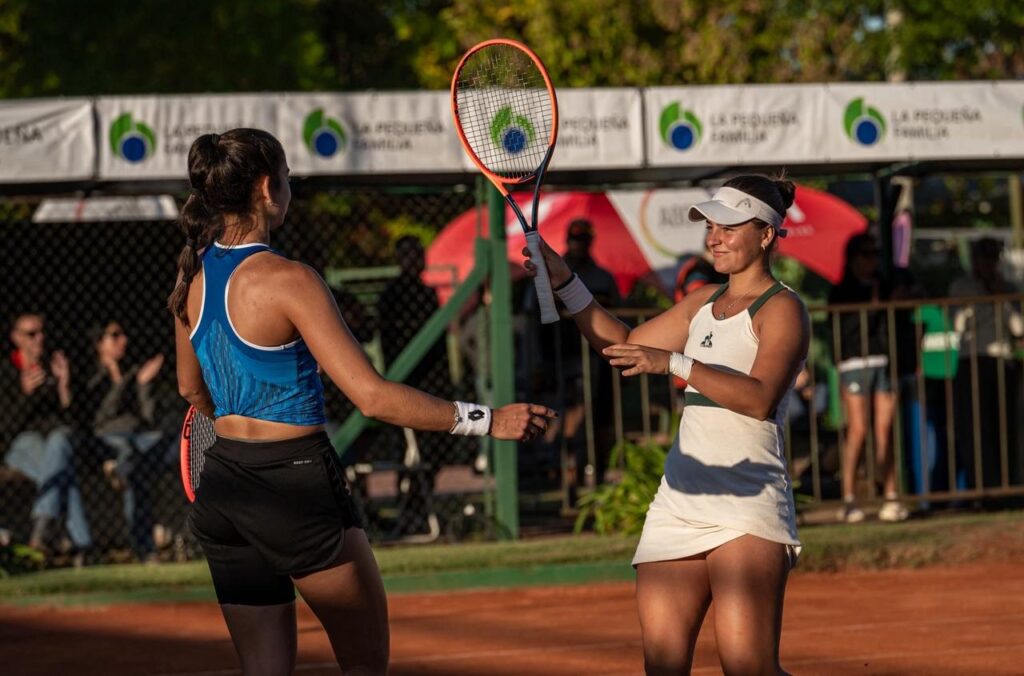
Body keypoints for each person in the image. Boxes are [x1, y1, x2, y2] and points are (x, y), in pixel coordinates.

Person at [168, 128, 554, 675]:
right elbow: (372, 397)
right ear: (266, 188)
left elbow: (192, 390)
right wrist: (489, 420)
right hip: (296, 485)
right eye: (287, 178)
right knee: (365, 664)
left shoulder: (192, 278)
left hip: (225, 488)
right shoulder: (290, 280)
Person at [525, 175, 806, 675]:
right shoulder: (701, 301)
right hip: (679, 503)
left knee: (748, 668)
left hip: (747, 504)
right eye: (710, 226)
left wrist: (675, 363)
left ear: (766, 234)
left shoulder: (784, 308)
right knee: (664, 666)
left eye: (728, 226)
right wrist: (566, 280)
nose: (713, 237)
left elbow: (761, 398)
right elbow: (623, 344)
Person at [829, 233, 908, 523]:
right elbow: (843, 332)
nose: (871, 259)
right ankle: (849, 499)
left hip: (884, 361)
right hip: (854, 364)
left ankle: (891, 496)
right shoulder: (841, 291)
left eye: (874, 253)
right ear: (852, 259)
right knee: (858, 430)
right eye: (865, 254)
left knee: (885, 431)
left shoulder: (884, 285)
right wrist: (875, 305)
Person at [1, 312, 93, 561]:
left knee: (60, 441)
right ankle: (82, 545)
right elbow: (5, 430)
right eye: (31, 334)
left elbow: (78, 423)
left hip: (56, 443)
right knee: (64, 472)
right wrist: (24, 395)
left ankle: (43, 532)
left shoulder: (56, 366)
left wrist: (64, 388)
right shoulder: (7, 372)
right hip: (21, 446)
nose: (39, 339)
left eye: (42, 332)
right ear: (16, 338)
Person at [85, 319, 167, 562]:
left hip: (137, 438)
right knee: (131, 460)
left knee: (157, 446)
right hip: (107, 440)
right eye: (115, 335)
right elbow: (100, 418)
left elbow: (148, 417)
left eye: (123, 334)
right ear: (100, 343)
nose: (124, 340)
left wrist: (143, 385)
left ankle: (120, 469)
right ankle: (144, 546)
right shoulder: (91, 377)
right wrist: (117, 381)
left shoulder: (133, 372)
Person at [950, 237, 1024, 489]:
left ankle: (1008, 486)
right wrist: (982, 299)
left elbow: (1018, 327)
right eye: (984, 257)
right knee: (976, 429)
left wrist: (1001, 297)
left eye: (993, 257)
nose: (989, 263)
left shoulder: (1008, 287)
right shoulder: (961, 287)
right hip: (972, 360)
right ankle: (982, 488)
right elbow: (959, 325)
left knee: (1005, 427)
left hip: (1002, 361)